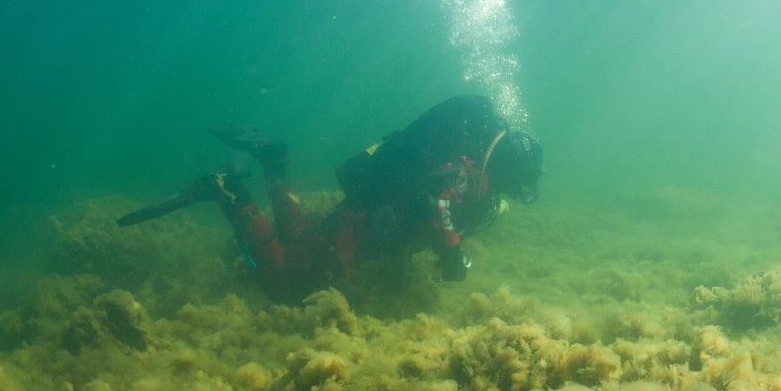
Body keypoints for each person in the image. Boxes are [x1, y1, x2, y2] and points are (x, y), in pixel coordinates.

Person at [117, 95, 543, 300]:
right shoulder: (471, 172)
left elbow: (451, 198)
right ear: (509, 170)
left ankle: (275, 164)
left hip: (365, 216)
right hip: (363, 230)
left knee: (298, 243)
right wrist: (451, 254)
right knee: (287, 283)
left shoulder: (473, 164)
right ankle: (226, 191)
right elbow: (437, 195)